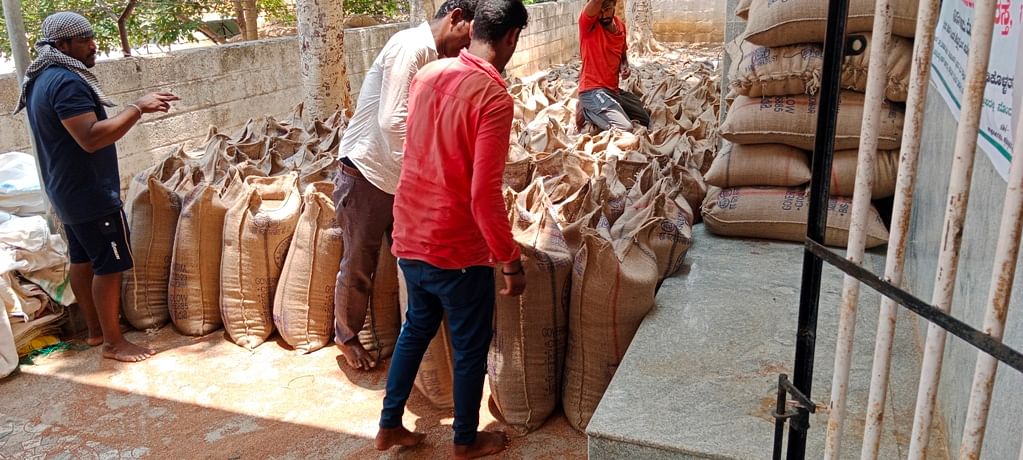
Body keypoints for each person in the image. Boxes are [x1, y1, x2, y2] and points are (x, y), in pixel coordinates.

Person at [373, 0, 529, 457]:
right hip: (455, 247)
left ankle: (389, 425)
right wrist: (510, 260)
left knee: (416, 327)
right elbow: (484, 194)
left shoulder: (429, 75)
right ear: (512, 38)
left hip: (410, 233)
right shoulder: (494, 97)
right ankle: (465, 439)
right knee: (469, 347)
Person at [15, 12, 179, 362]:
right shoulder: (65, 82)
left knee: (83, 259)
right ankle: (114, 343)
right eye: (84, 40)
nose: (93, 45)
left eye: (92, 37)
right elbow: (90, 138)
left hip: (65, 189)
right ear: (62, 45)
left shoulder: (43, 79)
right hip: (89, 192)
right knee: (111, 264)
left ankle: (94, 331)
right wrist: (138, 108)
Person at [333, 0, 479, 371]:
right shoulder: (410, 47)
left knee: (412, 261)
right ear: (456, 18)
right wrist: (430, 174)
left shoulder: (437, 58)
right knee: (359, 260)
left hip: (401, 178)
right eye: (468, 37)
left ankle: (412, 335)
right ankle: (346, 336)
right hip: (369, 172)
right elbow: (391, 121)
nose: (468, 47)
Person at [577, 0, 650, 132]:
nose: (602, 15)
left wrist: (624, 67)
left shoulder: (621, 26)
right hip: (592, 90)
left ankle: (602, 109)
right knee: (625, 127)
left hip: (613, 91)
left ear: (614, 5)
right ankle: (587, 110)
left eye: (607, 9)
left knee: (644, 119)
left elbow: (622, 57)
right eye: (599, 11)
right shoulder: (588, 25)